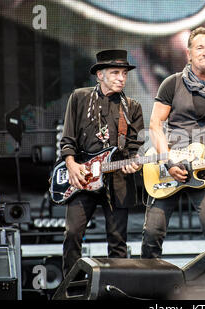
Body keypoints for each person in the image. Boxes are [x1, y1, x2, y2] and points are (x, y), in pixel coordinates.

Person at [141, 27, 205, 287]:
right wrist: (168, 162)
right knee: (152, 233)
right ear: (188, 53)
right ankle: (147, 288)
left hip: (204, 167)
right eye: (200, 48)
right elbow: (155, 125)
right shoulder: (171, 83)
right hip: (167, 165)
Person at [60, 50, 144, 276]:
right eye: (115, 72)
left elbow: (134, 147)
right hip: (82, 176)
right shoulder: (79, 97)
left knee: (118, 241)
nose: (121, 78)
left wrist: (133, 162)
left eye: (124, 73)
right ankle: (71, 287)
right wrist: (71, 163)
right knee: (73, 234)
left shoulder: (132, 106)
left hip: (117, 177)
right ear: (100, 74)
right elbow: (67, 139)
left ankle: (116, 287)